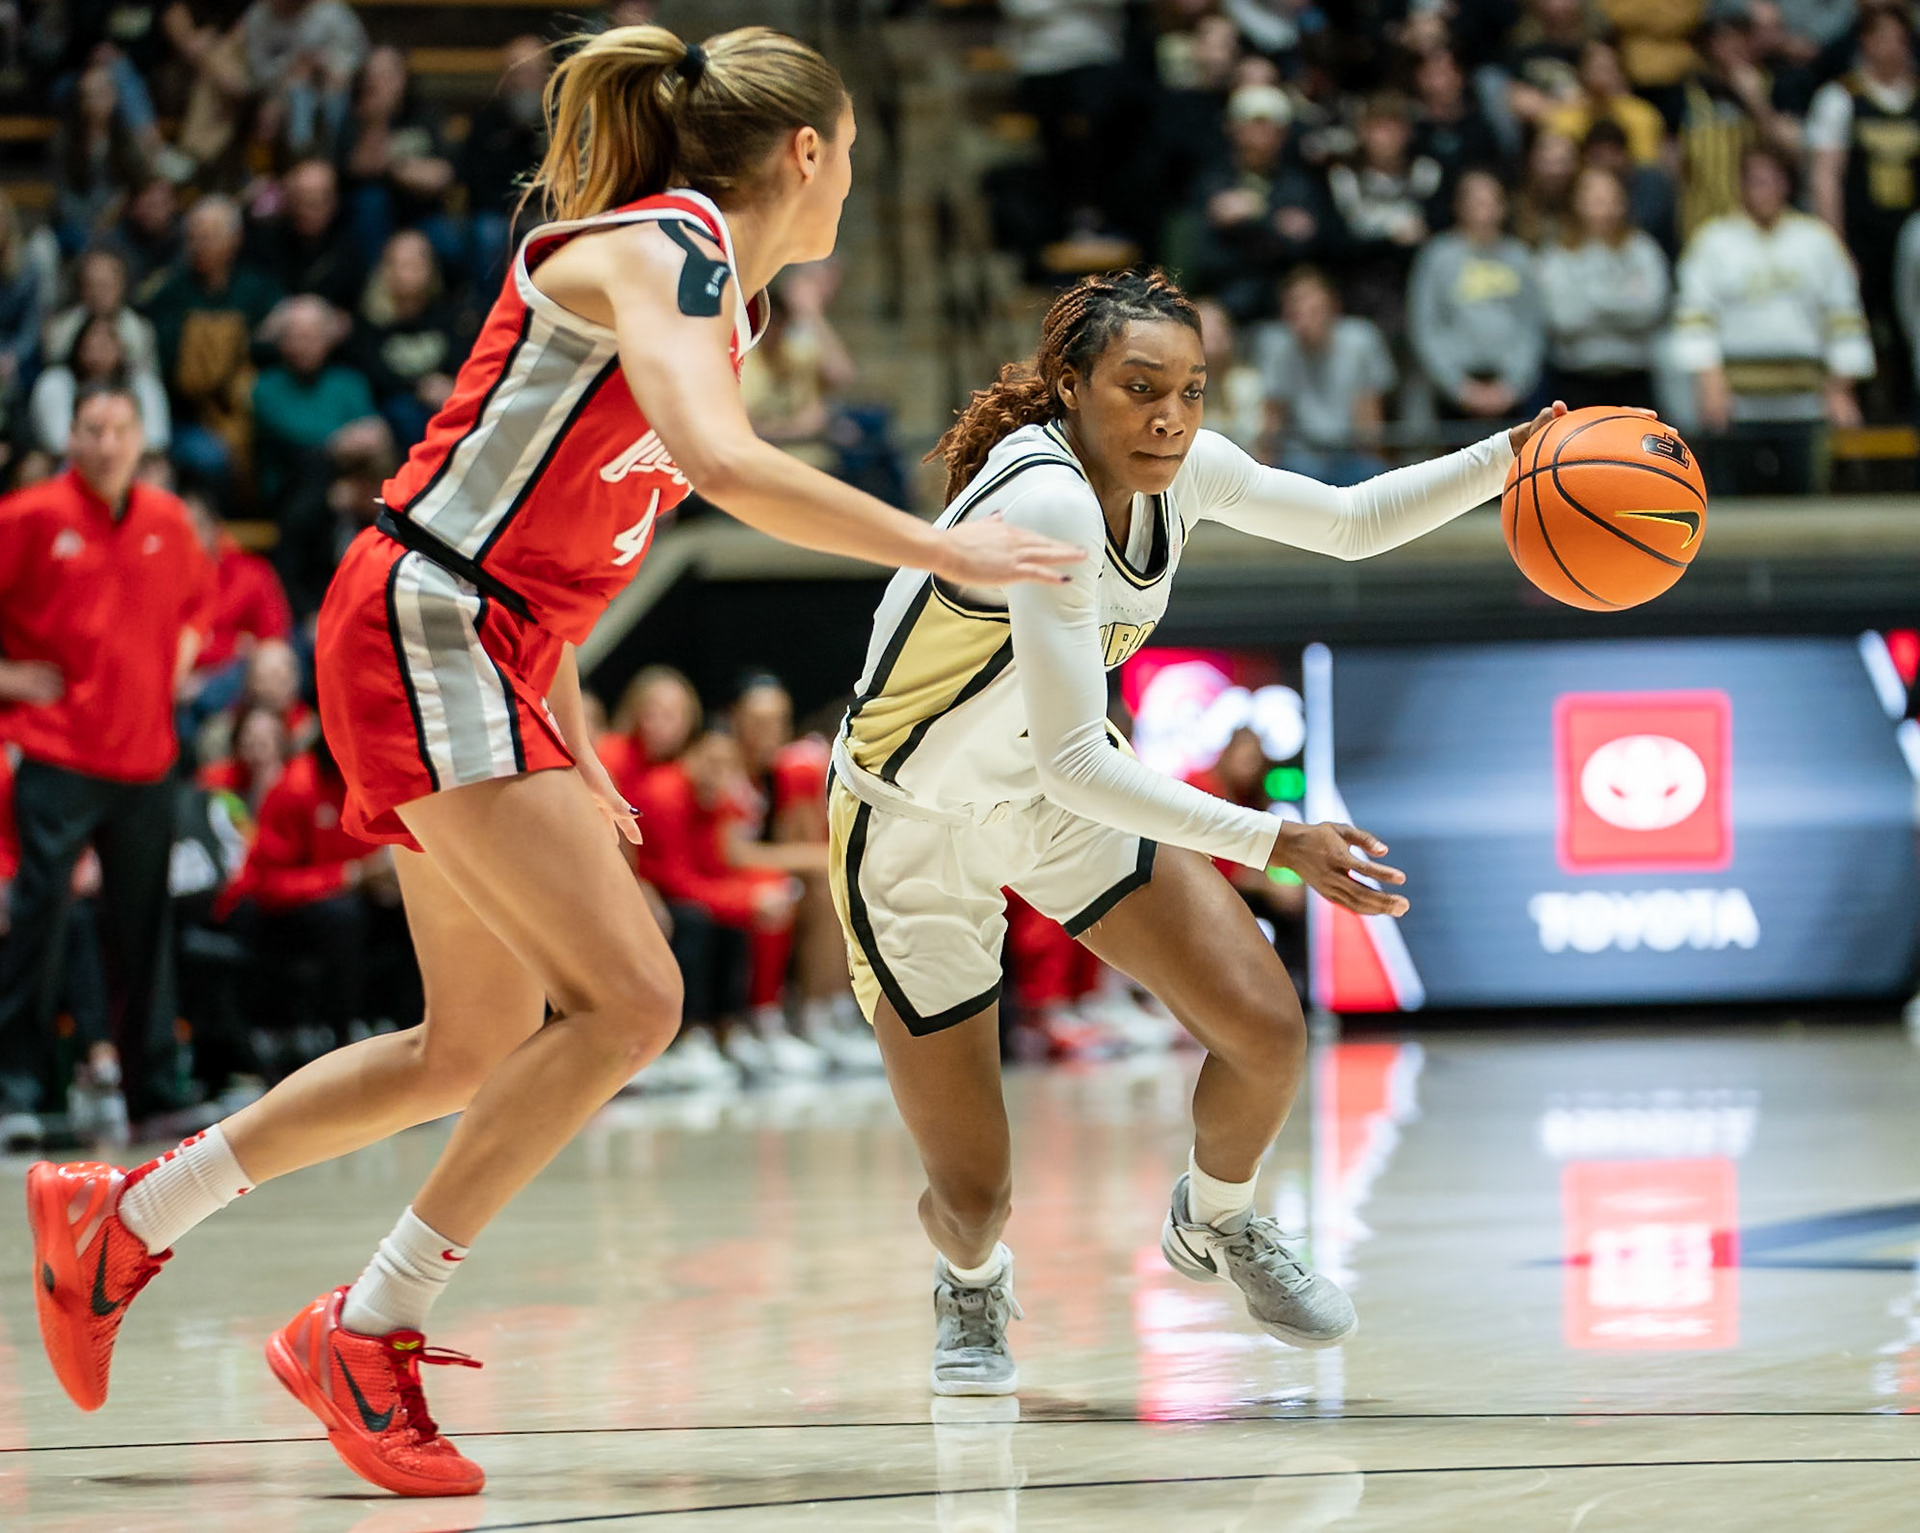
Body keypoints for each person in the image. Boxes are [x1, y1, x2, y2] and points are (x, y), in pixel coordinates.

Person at [24, 23, 1077, 1501]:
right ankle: (366, 1326)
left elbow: (567, 538)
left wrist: (567, 735)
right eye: (854, 153)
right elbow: (715, 469)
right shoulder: (668, 249)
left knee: (471, 1041)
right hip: (428, 619)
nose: (855, 180)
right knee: (635, 998)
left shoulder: (726, 298)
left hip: (477, 634)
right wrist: (938, 538)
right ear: (810, 153)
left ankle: (126, 1212)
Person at [828, 267, 1562, 1397]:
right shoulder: (1048, 499)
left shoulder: (1182, 471)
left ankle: (1217, 1218)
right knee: (975, 1193)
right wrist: (1276, 839)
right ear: (1071, 388)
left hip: (1050, 794)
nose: (1169, 416)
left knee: (1266, 1030)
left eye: (1191, 389)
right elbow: (1081, 760)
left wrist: (1509, 456)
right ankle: (969, 1283)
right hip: (912, 825)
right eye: (1137, 388)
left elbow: (1354, 524)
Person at [0, 383, 213, 1141]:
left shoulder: (168, 518)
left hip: (147, 755)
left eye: (121, 429)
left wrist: (181, 652)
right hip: (58, 751)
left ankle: (155, 1089)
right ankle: (19, 1089)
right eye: (93, 429)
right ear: (71, 439)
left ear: (139, 437)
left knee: (144, 926)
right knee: (40, 919)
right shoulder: (27, 516)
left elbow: (199, 606)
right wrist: (9, 677)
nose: (108, 444)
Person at [1674, 144, 1873, 495]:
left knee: (1807, 509)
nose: (1762, 189)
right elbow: (1695, 317)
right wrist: (1710, 384)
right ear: (1741, 185)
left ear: (1786, 184)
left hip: (1807, 403)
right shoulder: (1713, 240)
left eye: (1771, 180)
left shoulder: (1818, 241)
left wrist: (1841, 389)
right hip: (1735, 403)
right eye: (1754, 181)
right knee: (1736, 514)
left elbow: (1844, 316)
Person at [1807, 2, 1920, 418]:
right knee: (1858, 332)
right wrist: (1836, 243)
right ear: (1865, 43)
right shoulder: (1841, 97)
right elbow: (1826, 176)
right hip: (1860, 233)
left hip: (1910, 236)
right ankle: (1865, 423)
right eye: (1881, 37)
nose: (1890, 47)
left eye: (1898, 37)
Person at [1408, 169, 1545, 429]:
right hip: (1454, 389)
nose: (1484, 210)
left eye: (1491, 201)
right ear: (1459, 206)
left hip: (1510, 389)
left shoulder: (1520, 257)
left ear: (1503, 206)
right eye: (1475, 201)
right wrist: (1458, 387)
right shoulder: (1437, 257)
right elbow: (1425, 326)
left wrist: (1513, 386)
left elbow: (1532, 325)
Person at [1536, 165, 1670, 411]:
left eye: (1610, 198)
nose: (1603, 207)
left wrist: (1591, 300)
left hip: (1634, 375)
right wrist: (1622, 300)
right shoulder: (1557, 254)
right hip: (1575, 378)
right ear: (1576, 202)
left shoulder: (1644, 250)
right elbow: (1562, 319)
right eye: (1594, 199)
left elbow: (1650, 310)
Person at [1255, 266, 1394, 485]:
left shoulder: (1361, 340)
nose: (1306, 320)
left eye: (1314, 310)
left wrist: (1375, 467)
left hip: (1349, 451)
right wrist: (1261, 475)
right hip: (1298, 455)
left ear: (1333, 307)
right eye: (1296, 312)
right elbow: (1273, 415)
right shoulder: (1276, 346)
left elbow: (1369, 414)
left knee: (1373, 477)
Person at [28, 313, 172, 454]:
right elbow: (58, 442)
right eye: (93, 340)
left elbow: (156, 439)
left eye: (108, 340)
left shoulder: (142, 383)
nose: (100, 347)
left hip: (133, 462)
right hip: (68, 462)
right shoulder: (56, 381)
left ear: (122, 349)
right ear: (79, 346)